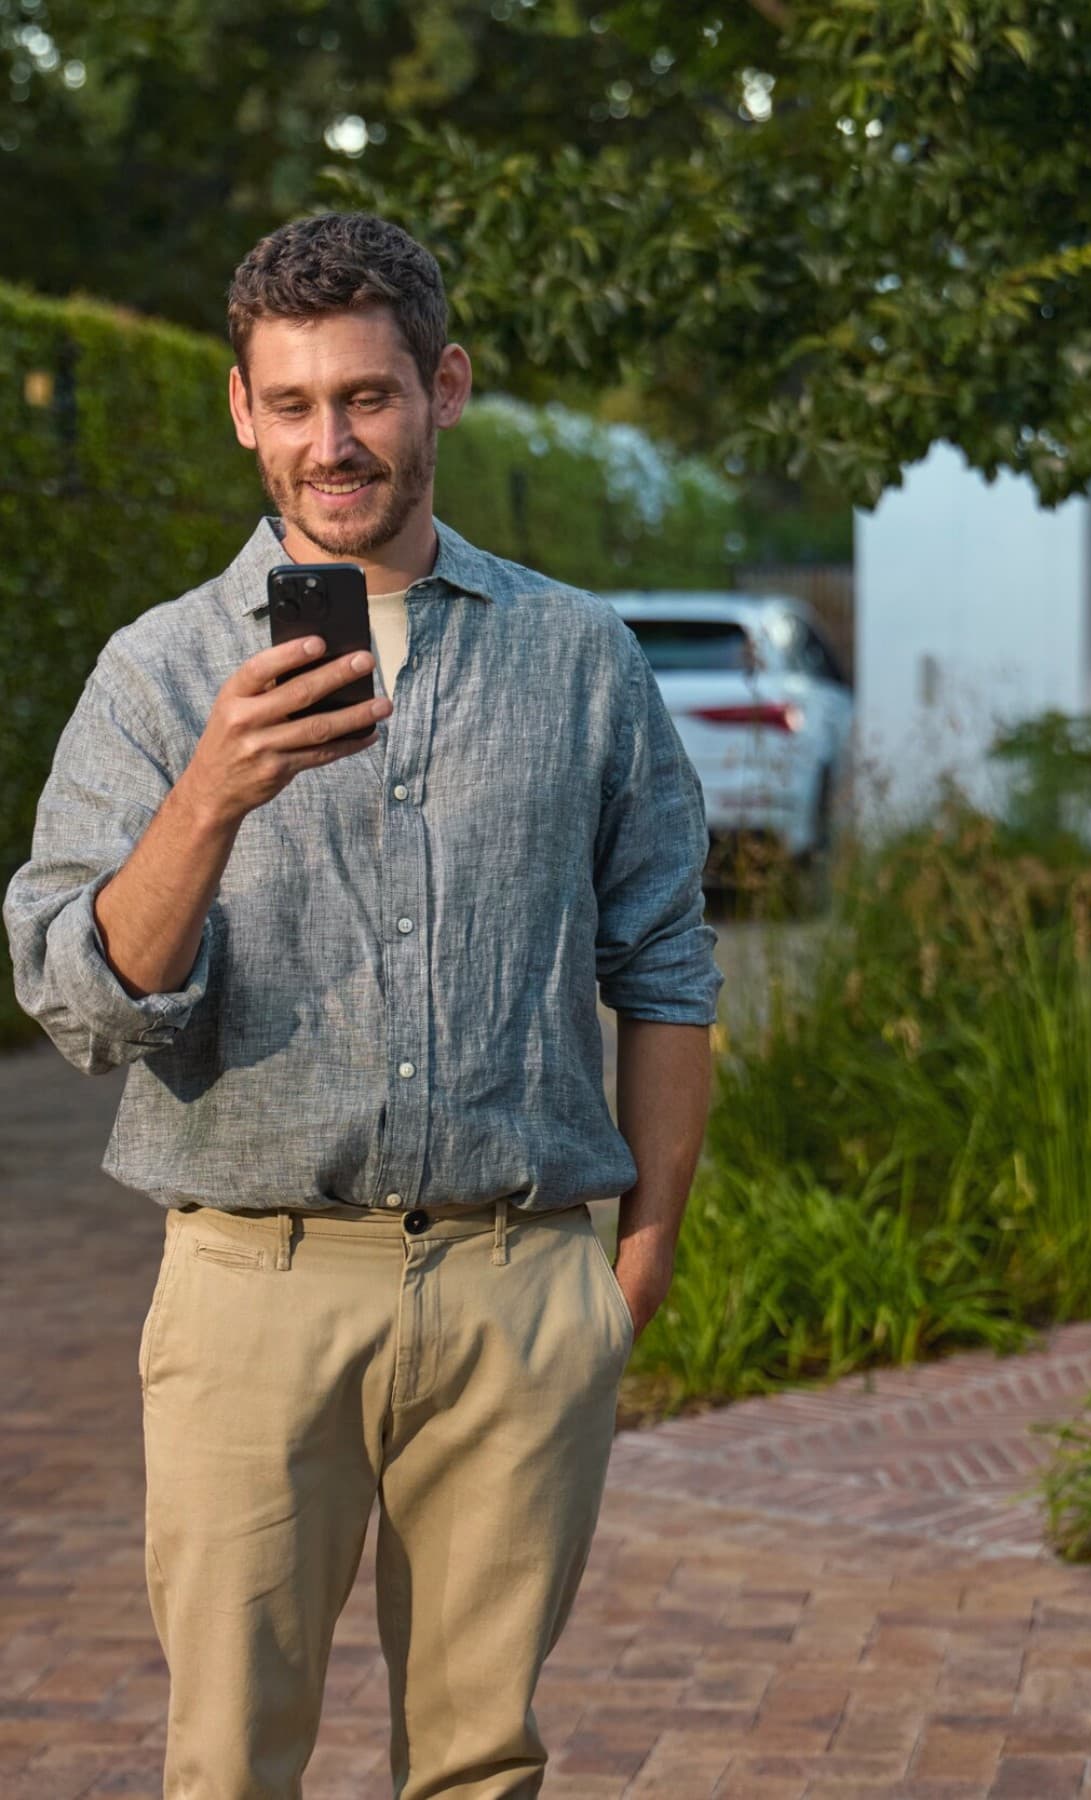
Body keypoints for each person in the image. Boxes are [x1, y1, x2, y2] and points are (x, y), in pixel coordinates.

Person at [2, 211, 725, 1798]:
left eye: (371, 397)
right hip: (253, 1290)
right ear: (243, 410)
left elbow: (665, 968)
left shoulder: (582, 658)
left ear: (442, 387)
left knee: (481, 1763)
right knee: (230, 1762)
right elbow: (75, 998)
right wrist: (209, 795)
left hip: (518, 1288)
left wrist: (642, 1259)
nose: (336, 442)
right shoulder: (156, 674)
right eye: (298, 403)